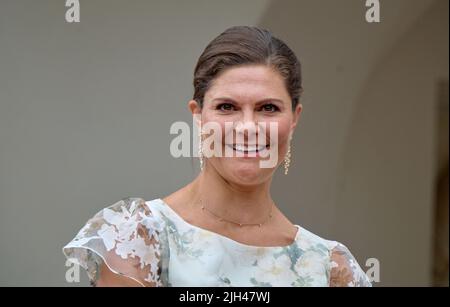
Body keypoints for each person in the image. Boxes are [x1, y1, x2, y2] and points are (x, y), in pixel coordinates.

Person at [63, 26, 372, 287]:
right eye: (227, 107)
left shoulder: (331, 268)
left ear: (294, 119)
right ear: (198, 116)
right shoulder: (138, 238)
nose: (248, 128)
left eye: (268, 108)